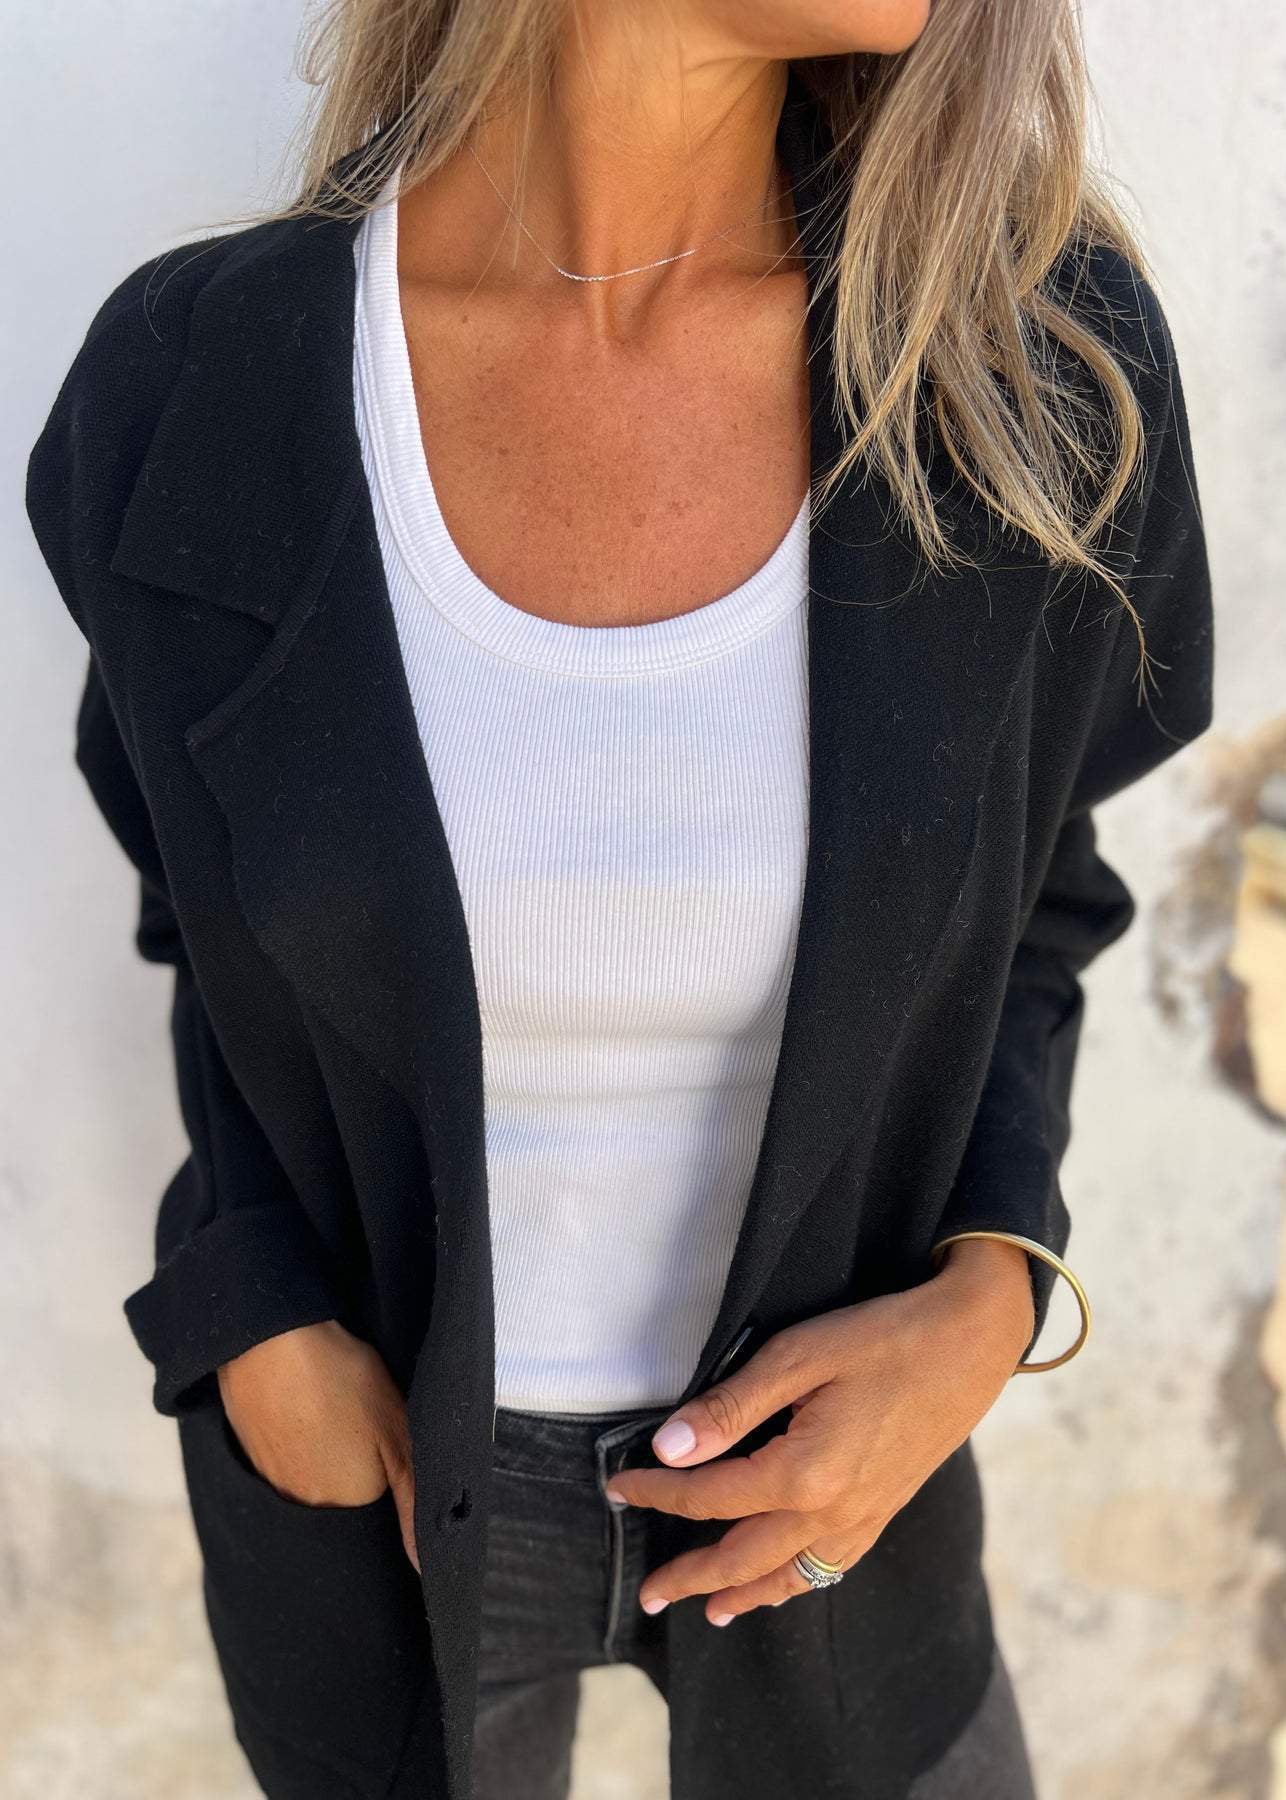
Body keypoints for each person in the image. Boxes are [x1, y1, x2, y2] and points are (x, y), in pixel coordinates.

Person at [25, 4, 1214, 1797]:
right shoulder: (199, 383)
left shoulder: (1024, 362)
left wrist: (991, 1290)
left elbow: (1033, 896)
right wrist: (250, 1308)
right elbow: (206, 909)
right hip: (381, 1494)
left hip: (835, 1510)